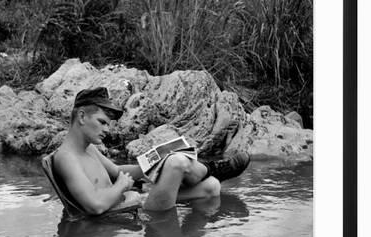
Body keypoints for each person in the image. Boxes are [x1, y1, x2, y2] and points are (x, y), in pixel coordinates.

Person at [53, 87, 250, 214]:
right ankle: (212, 168)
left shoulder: (89, 150)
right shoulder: (66, 158)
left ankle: (210, 225)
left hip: (134, 200)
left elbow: (117, 172)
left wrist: (153, 160)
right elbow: (95, 205)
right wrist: (121, 186)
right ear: (81, 117)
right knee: (177, 163)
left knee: (212, 187)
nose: (107, 130)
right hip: (128, 211)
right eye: (102, 122)